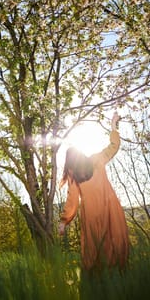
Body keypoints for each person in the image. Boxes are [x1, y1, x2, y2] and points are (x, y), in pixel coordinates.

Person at [58, 112, 129, 271]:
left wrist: (64, 221)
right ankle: (116, 274)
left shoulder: (73, 174)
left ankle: (97, 277)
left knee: (93, 244)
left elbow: (73, 200)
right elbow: (113, 146)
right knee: (114, 239)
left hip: (91, 213)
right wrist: (113, 126)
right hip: (109, 206)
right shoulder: (96, 159)